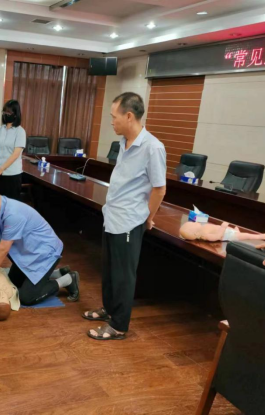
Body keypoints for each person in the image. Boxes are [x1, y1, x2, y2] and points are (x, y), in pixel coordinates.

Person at [83, 92, 167, 341]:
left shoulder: (152, 147)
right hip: (113, 216)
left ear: (129, 116)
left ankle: (119, 325)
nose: (111, 121)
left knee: (123, 275)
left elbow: (159, 188)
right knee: (109, 270)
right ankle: (109, 309)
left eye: (114, 116)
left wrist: (147, 217)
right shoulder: (124, 143)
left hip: (130, 220)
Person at [0, 185, 79, 306]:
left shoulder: (12, 214)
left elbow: (3, 249)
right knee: (12, 283)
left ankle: (68, 279)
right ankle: (57, 273)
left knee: (26, 297)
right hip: (29, 253)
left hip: (45, 253)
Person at [0, 99, 26, 201]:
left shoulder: (20, 131)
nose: (5, 114)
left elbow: (15, 154)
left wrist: (1, 169)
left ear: (15, 114)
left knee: (10, 204)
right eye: (4, 112)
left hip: (12, 174)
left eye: (8, 112)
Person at [180, 221, 265, 242]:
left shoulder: (202, 229)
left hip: (227, 231)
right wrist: (223, 227)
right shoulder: (205, 235)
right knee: (247, 235)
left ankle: (237, 232)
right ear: (195, 233)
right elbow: (218, 237)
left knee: (236, 231)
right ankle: (259, 237)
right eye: (193, 224)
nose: (195, 222)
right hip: (229, 235)